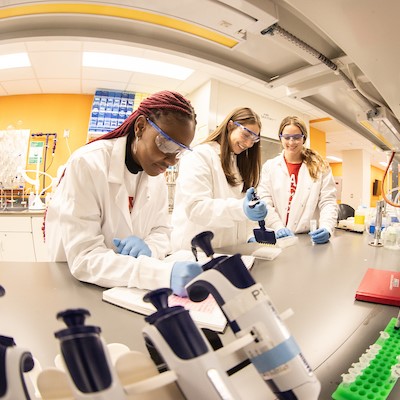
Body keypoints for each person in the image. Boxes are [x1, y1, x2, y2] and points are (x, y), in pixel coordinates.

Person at [45, 90, 202, 297]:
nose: (172, 160)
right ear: (140, 127)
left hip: (124, 292)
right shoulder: (88, 163)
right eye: (167, 144)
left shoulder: (156, 176)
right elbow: (85, 257)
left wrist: (149, 249)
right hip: (75, 288)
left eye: (179, 151)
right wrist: (159, 274)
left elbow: (161, 231)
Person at [170, 107, 267, 251]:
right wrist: (241, 208)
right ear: (230, 126)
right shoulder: (199, 155)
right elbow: (196, 208)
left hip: (229, 251)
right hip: (196, 253)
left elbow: (237, 216)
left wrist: (249, 233)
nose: (248, 144)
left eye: (254, 139)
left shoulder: (238, 163)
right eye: (246, 135)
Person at [258, 115, 338, 244]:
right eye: (287, 137)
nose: (291, 142)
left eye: (296, 138)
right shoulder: (270, 166)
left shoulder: (320, 166)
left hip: (308, 237)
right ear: (280, 137)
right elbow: (265, 201)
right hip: (278, 236)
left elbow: (328, 201)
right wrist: (278, 227)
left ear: (303, 138)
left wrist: (327, 227)